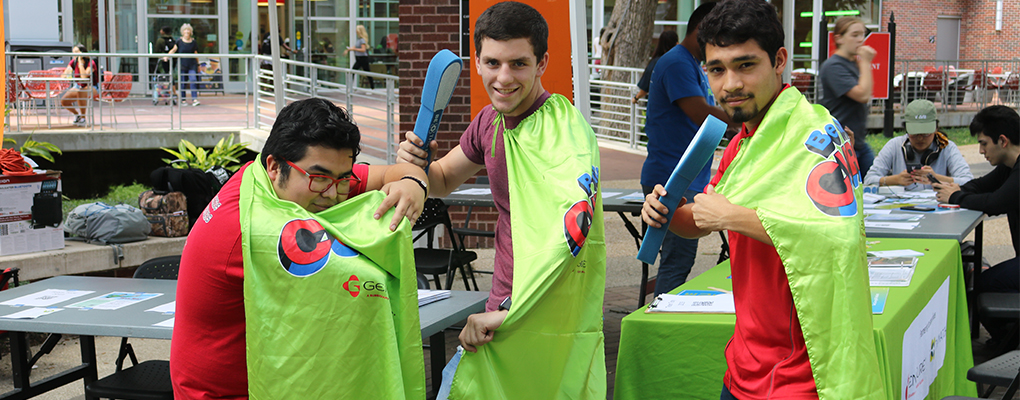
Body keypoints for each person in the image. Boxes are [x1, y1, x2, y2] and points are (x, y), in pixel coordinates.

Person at [644, 1, 885, 398]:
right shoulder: (745, 141)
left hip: (801, 377)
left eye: (745, 65)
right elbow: (703, 218)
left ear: (779, 61)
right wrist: (667, 211)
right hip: (744, 366)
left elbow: (836, 239)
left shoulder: (814, 134)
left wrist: (733, 217)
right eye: (716, 69)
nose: (730, 85)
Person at [396, 2, 606, 399]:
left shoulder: (565, 132)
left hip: (539, 314)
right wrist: (418, 161)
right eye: (492, 63)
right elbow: (442, 179)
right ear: (476, 62)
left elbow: (568, 237)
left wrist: (508, 313)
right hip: (500, 305)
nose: (504, 77)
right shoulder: (488, 123)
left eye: (518, 64)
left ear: (542, 62)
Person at [170, 98, 431, 399]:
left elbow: (394, 173)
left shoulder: (284, 180)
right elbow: (354, 283)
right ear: (273, 166)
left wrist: (414, 183)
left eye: (342, 179)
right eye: (320, 178)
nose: (332, 193)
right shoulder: (248, 224)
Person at [640, 1, 729, 297]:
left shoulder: (690, 63)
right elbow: (698, 111)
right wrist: (745, 118)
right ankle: (660, 330)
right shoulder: (678, 62)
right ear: (702, 30)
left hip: (685, 175)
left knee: (678, 260)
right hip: (673, 177)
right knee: (677, 262)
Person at [934, 105, 1019, 350]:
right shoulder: (1008, 166)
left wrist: (955, 198)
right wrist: (957, 192)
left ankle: (1008, 343)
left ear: (1002, 141)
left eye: (983, 144)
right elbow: (980, 186)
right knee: (981, 279)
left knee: (980, 285)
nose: (981, 151)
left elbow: (995, 203)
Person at [864, 99, 973, 190]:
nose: (920, 138)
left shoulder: (947, 147)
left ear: (936, 129)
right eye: (915, 133)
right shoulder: (894, 145)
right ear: (906, 129)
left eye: (926, 134)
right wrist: (895, 180)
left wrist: (936, 178)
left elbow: (968, 181)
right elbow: (868, 180)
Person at [819, 16, 877, 177]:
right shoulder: (833, 66)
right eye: (855, 35)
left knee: (873, 183)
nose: (860, 40)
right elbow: (863, 94)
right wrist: (865, 61)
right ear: (839, 38)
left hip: (857, 143)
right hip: (838, 146)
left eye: (862, 35)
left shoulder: (851, 64)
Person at [632, 29, 679, 103]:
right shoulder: (680, 62)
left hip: (658, 105)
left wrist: (636, 98)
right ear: (676, 43)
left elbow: (645, 87)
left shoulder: (655, 63)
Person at [60, 44, 99, 127]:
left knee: (80, 93)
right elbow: (65, 74)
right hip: (79, 86)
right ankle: (77, 115)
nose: (74, 54)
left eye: (77, 52)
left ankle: (83, 118)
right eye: (73, 52)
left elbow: (84, 77)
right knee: (64, 101)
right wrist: (67, 74)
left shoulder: (90, 63)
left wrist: (80, 63)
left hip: (92, 86)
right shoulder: (73, 62)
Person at [167, 23, 201, 106]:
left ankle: (194, 99)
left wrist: (198, 64)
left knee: (193, 80)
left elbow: (195, 53)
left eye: (188, 30)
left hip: (192, 64)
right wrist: (167, 56)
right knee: (182, 82)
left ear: (191, 32)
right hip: (182, 64)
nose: (187, 31)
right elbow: (174, 49)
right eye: (185, 30)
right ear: (182, 32)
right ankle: (183, 100)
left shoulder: (193, 42)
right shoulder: (179, 41)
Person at [344, 25, 374, 90]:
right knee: (352, 72)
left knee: (367, 73)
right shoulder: (359, 39)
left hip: (363, 58)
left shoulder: (362, 40)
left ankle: (372, 87)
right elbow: (355, 47)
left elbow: (363, 50)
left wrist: (354, 49)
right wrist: (348, 50)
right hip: (359, 59)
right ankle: (350, 87)